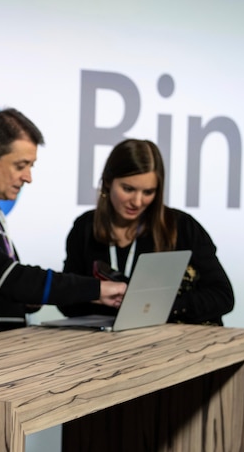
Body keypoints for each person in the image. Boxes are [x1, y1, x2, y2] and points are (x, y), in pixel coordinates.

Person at [0, 108, 127, 337]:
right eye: (21, 166)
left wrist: (27, 300)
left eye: (31, 166)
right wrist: (96, 289)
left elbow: (0, 285)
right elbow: (9, 279)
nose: (28, 177)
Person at [59, 138, 234, 325]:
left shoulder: (181, 227)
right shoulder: (85, 228)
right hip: (107, 346)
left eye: (148, 192)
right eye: (128, 189)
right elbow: (68, 304)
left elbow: (222, 296)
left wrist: (159, 308)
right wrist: (95, 294)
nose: (137, 201)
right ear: (108, 181)